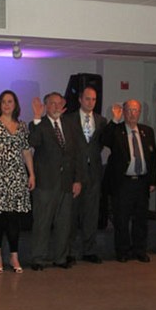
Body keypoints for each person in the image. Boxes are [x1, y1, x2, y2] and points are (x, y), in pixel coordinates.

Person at [0, 90, 35, 274]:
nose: (6, 104)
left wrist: (31, 174)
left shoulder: (22, 126)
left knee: (13, 220)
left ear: (15, 104)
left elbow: (26, 152)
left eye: (10, 101)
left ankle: (14, 255)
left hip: (17, 177)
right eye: (3, 101)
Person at [28, 92, 82, 270]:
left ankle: (60, 257)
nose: (56, 107)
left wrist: (77, 180)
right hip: (45, 183)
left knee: (64, 223)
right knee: (42, 222)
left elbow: (75, 155)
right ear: (45, 106)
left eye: (59, 103)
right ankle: (38, 258)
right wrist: (36, 117)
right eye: (52, 103)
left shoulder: (69, 124)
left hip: (66, 182)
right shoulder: (38, 124)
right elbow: (33, 142)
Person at [102, 100, 156, 262]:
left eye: (136, 110)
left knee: (141, 219)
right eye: (130, 110)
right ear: (124, 112)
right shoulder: (117, 130)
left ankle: (140, 250)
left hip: (141, 182)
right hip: (123, 183)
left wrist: (152, 181)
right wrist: (114, 120)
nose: (133, 113)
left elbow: (152, 158)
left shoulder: (147, 131)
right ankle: (123, 251)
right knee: (122, 219)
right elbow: (104, 140)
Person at [65, 86, 106, 264]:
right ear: (80, 99)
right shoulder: (69, 119)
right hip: (75, 172)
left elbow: (103, 144)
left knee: (91, 213)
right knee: (72, 214)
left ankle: (89, 250)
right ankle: (70, 252)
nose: (91, 103)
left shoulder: (101, 120)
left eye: (94, 99)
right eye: (88, 99)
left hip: (94, 172)